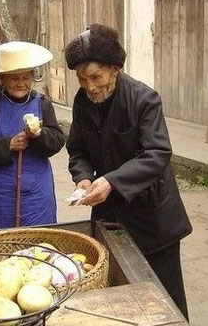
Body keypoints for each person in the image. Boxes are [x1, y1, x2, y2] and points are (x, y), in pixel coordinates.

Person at [64, 24, 192, 320]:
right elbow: (78, 149)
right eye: (82, 79)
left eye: (96, 77)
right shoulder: (83, 101)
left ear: (115, 68)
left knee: (163, 297)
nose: (90, 87)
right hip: (109, 215)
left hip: (152, 218)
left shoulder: (143, 99)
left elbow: (157, 153)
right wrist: (83, 177)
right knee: (120, 294)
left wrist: (110, 180)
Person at [0, 41, 65, 230]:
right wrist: (7, 145)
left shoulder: (42, 103)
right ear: (2, 78)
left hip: (36, 191)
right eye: (14, 78)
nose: (21, 83)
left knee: (38, 244)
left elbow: (57, 140)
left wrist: (39, 134)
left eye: (26, 77)